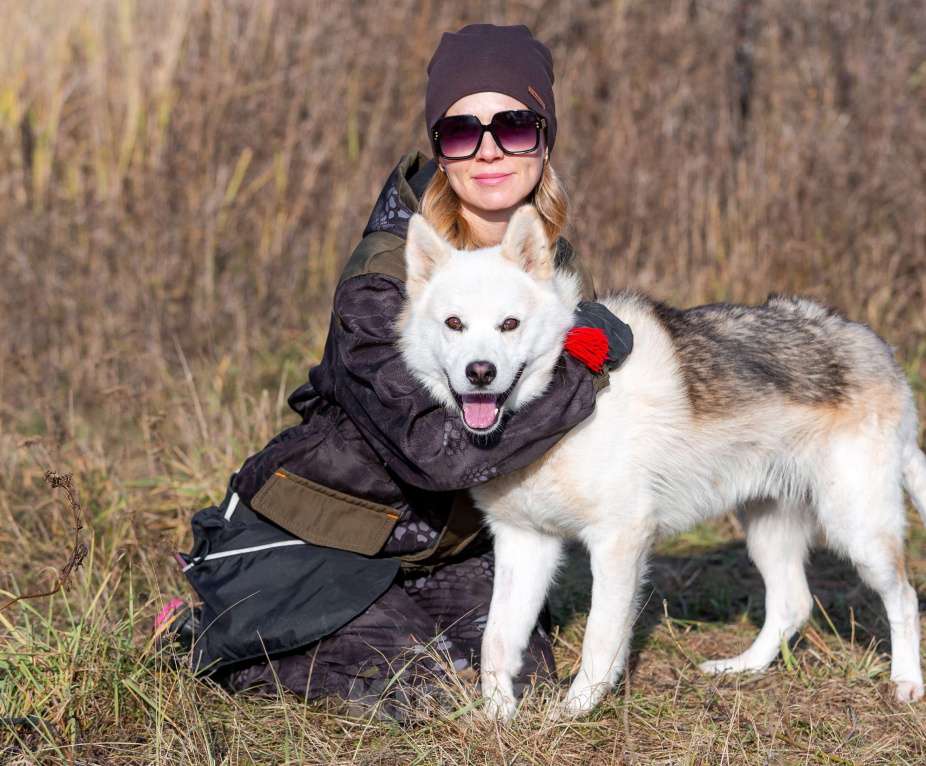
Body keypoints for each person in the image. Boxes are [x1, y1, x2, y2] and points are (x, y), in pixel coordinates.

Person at [157, 23, 632, 717]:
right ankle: (207, 619)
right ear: (440, 147)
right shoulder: (386, 280)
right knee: (422, 686)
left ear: (544, 137)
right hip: (331, 535)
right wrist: (588, 362)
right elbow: (435, 452)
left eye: (516, 126)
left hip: (446, 541)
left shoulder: (542, 256)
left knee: (512, 681)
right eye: (463, 131)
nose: (490, 150)